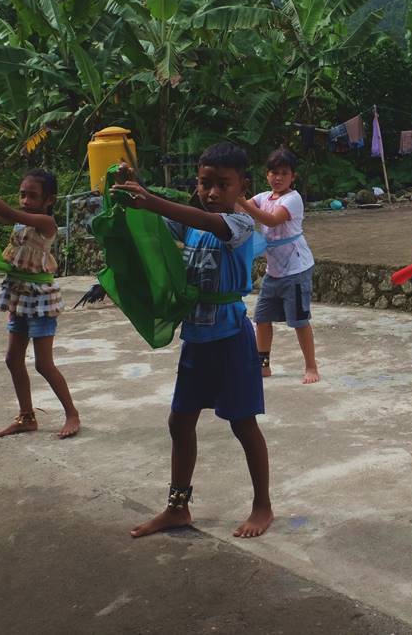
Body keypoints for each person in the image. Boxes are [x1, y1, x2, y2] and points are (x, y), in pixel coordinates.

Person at [114, 143, 274, 539]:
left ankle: (262, 505)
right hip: (197, 339)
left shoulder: (239, 225)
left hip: (232, 340)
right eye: (205, 184)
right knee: (180, 421)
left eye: (223, 184)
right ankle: (177, 507)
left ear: (243, 187)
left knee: (243, 424)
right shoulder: (190, 223)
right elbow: (153, 226)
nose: (213, 193)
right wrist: (132, 192)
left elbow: (197, 220)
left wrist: (152, 200)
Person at [0, 148, 80, 440]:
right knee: (12, 359)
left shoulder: (45, 223)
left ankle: (72, 413)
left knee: (43, 363)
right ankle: (26, 417)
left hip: (41, 299)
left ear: (49, 201)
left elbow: (7, 212)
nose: (26, 201)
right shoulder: (21, 219)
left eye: (32, 196)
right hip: (18, 295)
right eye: (22, 194)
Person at [236, 148, 321, 384]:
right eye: (274, 172)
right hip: (274, 271)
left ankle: (311, 367)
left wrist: (242, 201)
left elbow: (271, 220)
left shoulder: (293, 199)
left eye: (284, 173)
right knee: (261, 319)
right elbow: (238, 209)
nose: (278, 177)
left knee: (299, 321)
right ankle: (263, 366)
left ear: (293, 176)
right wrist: (230, 195)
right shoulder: (263, 197)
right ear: (267, 174)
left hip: (297, 270)